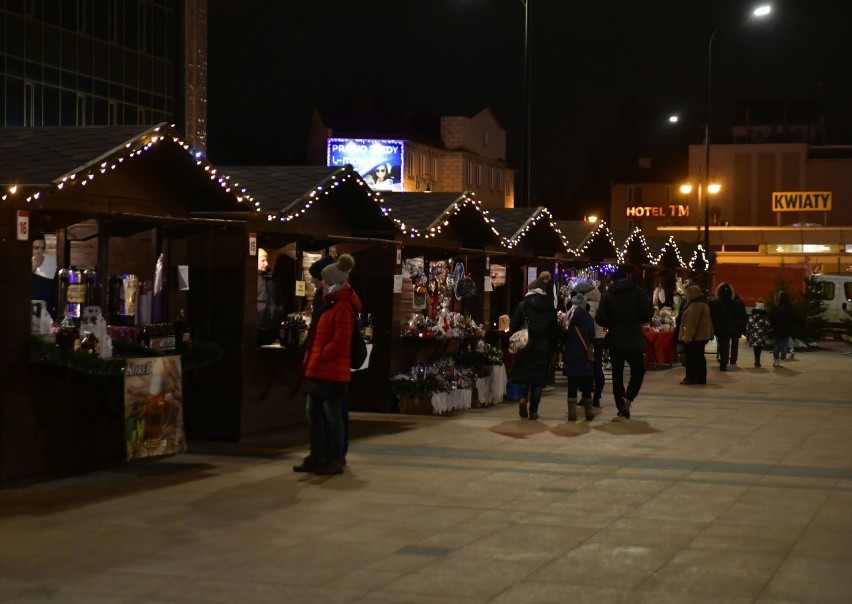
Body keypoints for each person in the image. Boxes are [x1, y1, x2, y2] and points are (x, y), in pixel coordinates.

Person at [294, 253, 360, 475]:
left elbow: (340, 340)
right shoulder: (328, 303)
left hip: (331, 371)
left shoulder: (341, 306)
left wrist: (322, 355)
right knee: (314, 415)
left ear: (330, 282)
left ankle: (334, 457)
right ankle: (317, 454)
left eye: (322, 280)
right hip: (318, 369)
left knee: (332, 416)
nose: (318, 284)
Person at [594, 267, 654, 419]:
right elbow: (648, 313)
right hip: (634, 338)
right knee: (638, 371)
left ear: (612, 280)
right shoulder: (638, 293)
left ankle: (621, 406)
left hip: (616, 339)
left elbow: (600, 319)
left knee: (617, 374)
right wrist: (636, 319)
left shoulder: (608, 296)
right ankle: (628, 398)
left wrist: (612, 323)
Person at [509, 271, 558, 420]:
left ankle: (523, 398)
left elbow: (513, 325)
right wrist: (554, 347)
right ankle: (534, 409)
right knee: (538, 380)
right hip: (543, 347)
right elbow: (554, 330)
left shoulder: (523, 305)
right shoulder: (549, 307)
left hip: (525, 345)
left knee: (524, 376)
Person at [561, 292, 595, 421]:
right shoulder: (588, 317)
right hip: (584, 355)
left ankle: (572, 414)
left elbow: (563, 336)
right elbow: (592, 337)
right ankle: (588, 413)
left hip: (571, 354)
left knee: (572, 383)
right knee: (586, 383)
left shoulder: (568, 316)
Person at [574, 279, 606, 407]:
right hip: (600, 339)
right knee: (598, 367)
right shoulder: (601, 303)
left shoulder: (583, 305)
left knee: (586, 368)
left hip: (587, 340)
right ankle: (597, 396)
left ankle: (586, 395)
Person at [678, 284, 714, 385]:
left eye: (687, 293)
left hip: (696, 337)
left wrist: (687, 337)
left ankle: (691, 377)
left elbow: (691, 323)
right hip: (702, 336)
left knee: (692, 358)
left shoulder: (695, 305)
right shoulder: (703, 303)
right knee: (699, 357)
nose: (685, 296)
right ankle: (701, 378)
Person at [256, 248, 284, 346]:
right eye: (263, 260)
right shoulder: (251, 278)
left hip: (271, 325)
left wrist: (277, 311)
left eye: (266, 260)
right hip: (255, 327)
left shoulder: (272, 278)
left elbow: (280, 298)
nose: (266, 263)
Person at [710, 282, 737, 371]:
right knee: (726, 344)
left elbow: (712, 315)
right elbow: (735, 316)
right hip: (728, 327)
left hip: (718, 327)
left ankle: (721, 358)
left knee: (720, 343)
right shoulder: (733, 303)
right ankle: (724, 362)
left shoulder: (715, 303)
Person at [31, 234, 58, 319]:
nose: (40, 251)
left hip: (47, 308)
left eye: (43, 248)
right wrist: (34, 266)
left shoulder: (51, 263)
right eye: (36, 248)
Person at [771, 291, 794, 367]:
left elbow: (773, 319)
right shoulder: (790, 309)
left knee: (776, 345)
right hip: (786, 329)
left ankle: (776, 360)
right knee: (784, 346)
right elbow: (794, 319)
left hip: (777, 329)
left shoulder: (778, 309)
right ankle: (782, 361)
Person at [745, 302, 772, 367]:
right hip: (761, 335)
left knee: (755, 348)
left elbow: (748, 326)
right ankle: (757, 360)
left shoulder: (752, 316)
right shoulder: (764, 317)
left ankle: (756, 360)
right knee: (759, 348)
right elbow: (767, 326)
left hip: (754, 335)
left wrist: (748, 333)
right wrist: (769, 332)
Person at [730, 292, 748, 365]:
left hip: (731, 326)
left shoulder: (731, 303)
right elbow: (743, 316)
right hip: (737, 327)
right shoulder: (740, 303)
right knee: (735, 344)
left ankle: (724, 357)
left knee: (725, 342)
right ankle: (733, 359)